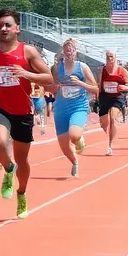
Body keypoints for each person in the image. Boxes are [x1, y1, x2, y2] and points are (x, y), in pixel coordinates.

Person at [0, 9, 55, 219]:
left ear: (17, 29)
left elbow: (48, 78)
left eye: (8, 25)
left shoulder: (29, 52)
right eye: (0, 26)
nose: (3, 29)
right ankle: (8, 169)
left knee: (23, 160)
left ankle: (22, 192)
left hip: (23, 111)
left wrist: (26, 74)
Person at [47, 38, 97, 177]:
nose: (69, 52)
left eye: (72, 50)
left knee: (74, 135)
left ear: (76, 52)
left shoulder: (82, 67)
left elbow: (95, 89)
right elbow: (49, 87)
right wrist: (54, 86)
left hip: (78, 106)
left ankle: (78, 138)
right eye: (67, 50)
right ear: (63, 52)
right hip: (61, 109)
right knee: (64, 147)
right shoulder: (56, 68)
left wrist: (81, 84)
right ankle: (75, 162)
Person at [95, 49, 128, 156]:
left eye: (111, 57)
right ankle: (109, 132)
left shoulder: (123, 71)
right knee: (104, 124)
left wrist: (123, 87)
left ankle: (110, 146)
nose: (109, 59)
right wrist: (96, 100)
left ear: (115, 58)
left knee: (112, 119)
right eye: (107, 56)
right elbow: (99, 85)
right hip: (105, 97)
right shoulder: (102, 70)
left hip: (117, 97)